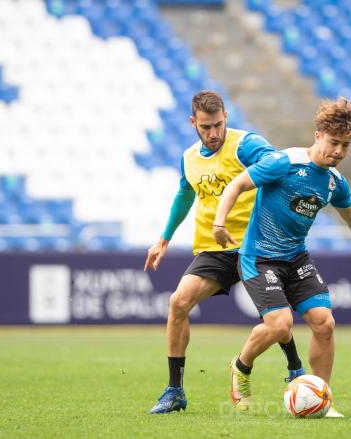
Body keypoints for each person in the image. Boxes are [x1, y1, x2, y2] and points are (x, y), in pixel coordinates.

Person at [212, 97, 351, 416]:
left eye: (345, 146)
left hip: (296, 258)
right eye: (334, 143)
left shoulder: (334, 183)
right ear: (318, 135)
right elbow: (237, 184)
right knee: (280, 324)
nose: (339, 152)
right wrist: (219, 222)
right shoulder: (283, 163)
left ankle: (322, 397)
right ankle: (241, 366)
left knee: (324, 323)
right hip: (259, 257)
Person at [145, 90, 305, 414]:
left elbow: (278, 164)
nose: (213, 133)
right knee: (178, 303)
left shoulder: (245, 145)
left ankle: (295, 369)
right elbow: (184, 194)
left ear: (226, 118)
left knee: (277, 320)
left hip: (255, 246)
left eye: (218, 124)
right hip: (214, 250)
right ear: (193, 122)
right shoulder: (189, 158)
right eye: (205, 127)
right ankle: (175, 390)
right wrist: (164, 239)